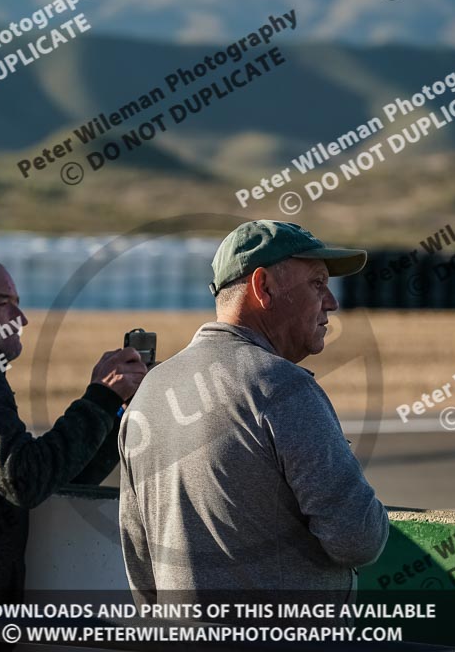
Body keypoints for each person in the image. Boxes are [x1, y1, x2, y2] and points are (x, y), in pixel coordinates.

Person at [119, 220, 389, 607]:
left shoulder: (149, 391)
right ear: (263, 287)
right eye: (317, 283)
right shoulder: (282, 386)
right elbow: (358, 537)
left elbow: (141, 571)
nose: (331, 302)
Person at [0, 255, 147, 602]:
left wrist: (113, 412)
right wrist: (98, 398)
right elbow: (23, 479)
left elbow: (51, 475)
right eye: (2, 303)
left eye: (18, 305)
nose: (20, 319)